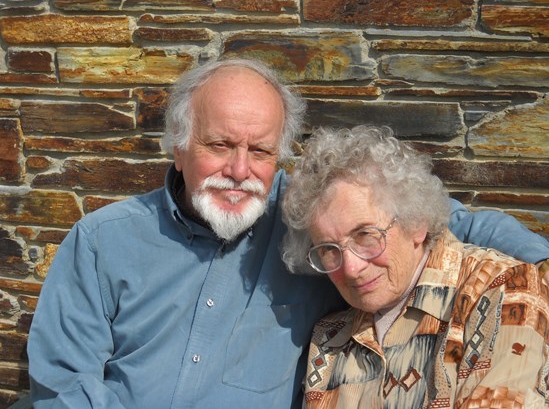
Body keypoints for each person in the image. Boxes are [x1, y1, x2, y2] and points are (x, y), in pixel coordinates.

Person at [27, 59, 549, 409]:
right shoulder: (102, 241)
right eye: (220, 144)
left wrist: (541, 268)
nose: (239, 169)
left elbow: (434, 216)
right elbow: (63, 384)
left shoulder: (313, 219)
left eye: (260, 151)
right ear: (179, 146)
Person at [281, 125, 549, 408]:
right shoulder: (330, 337)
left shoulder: (502, 291)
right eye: (328, 250)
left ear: (416, 223)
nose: (351, 268)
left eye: (365, 236)